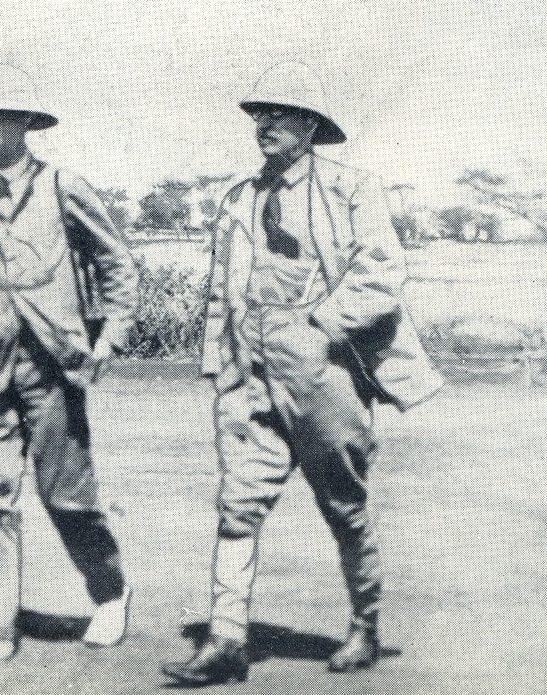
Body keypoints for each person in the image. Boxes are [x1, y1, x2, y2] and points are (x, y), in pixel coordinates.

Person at [161, 62, 443, 686]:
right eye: (261, 115)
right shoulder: (239, 197)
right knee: (237, 505)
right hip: (249, 370)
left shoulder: (352, 189)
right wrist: (219, 363)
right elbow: (219, 291)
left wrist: (323, 321)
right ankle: (227, 640)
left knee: (346, 505)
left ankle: (366, 627)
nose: (266, 126)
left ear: (311, 126)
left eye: (282, 116)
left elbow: (382, 274)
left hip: (326, 373)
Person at [0, 65, 138, 666]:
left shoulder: (63, 187)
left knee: (66, 496)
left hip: (56, 369)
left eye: (2, 121)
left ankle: (110, 590)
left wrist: (110, 339)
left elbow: (119, 263)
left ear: (26, 126)